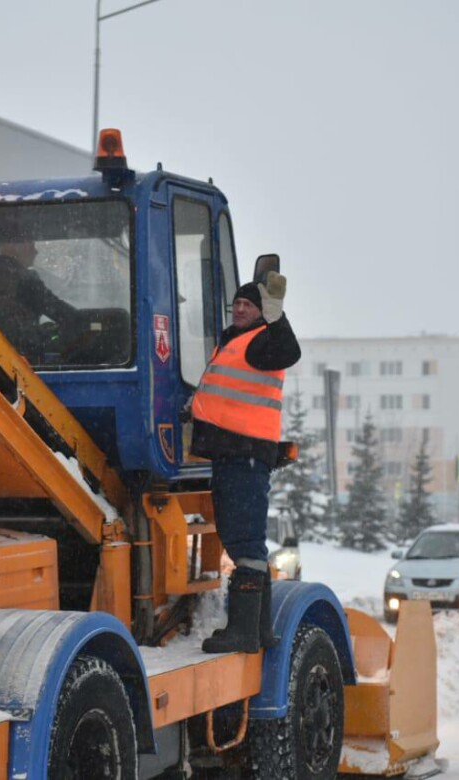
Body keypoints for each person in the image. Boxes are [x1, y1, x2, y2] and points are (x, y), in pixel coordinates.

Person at [191, 271, 300, 653]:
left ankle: (243, 632)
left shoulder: (261, 342)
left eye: (247, 305)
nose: (239, 308)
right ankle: (259, 631)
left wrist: (277, 315)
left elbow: (289, 350)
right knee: (244, 540)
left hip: (246, 454)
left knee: (244, 541)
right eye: (237, 303)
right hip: (234, 452)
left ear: (259, 313)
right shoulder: (234, 342)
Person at [0, 223, 76, 360]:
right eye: (30, 244)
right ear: (13, 246)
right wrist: (90, 322)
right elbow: (62, 313)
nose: (36, 251)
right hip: (22, 362)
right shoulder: (25, 281)